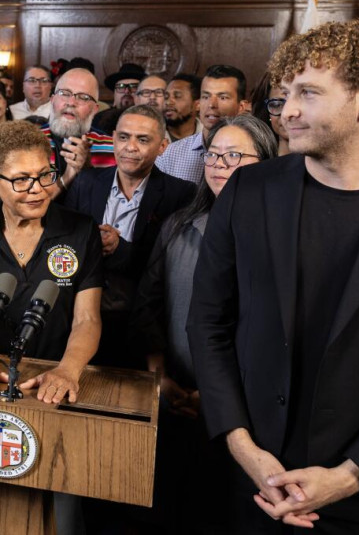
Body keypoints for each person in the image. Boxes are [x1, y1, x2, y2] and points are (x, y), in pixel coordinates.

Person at [187, 20, 359, 534]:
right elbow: (208, 326)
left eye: (308, 93)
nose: (288, 112)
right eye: (284, 96)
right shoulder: (248, 192)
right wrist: (244, 448)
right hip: (251, 485)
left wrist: (349, 476)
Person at [0, 121, 102, 532]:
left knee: (65, 517)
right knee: (0, 512)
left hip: (58, 387)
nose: (37, 188)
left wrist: (68, 370)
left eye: (44, 175)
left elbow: (87, 318)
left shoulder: (79, 229)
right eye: (21, 180)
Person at [129, 115, 277, 534]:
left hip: (248, 416)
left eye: (234, 155)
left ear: (265, 161)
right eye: (213, 154)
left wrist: (216, 399)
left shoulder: (281, 236)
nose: (219, 164)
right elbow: (149, 304)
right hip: (175, 399)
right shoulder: (179, 225)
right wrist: (159, 378)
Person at [62, 104, 195, 369]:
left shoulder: (180, 194)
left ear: (162, 146)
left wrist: (120, 248)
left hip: (141, 327)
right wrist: (89, 244)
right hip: (77, 318)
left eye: (142, 139)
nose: (130, 147)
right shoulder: (86, 182)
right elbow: (63, 245)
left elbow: (173, 268)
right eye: (123, 137)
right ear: (113, 138)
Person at [156, 64, 249, 184]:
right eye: (206, 96)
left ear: (241, 106)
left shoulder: (251, 156)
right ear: (198, 103)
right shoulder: (169, 155)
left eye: (223, 97)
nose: (212, 104)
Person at [40, 67, 115, 197]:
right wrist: (68, 176)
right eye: (64, 93)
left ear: (95, 109)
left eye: (84, 97)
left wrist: (87, 170)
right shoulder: (26, 142)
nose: (71, 102)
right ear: (52, 100)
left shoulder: (113, 149)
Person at [163, 73, 202, 142]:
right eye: (166, 97)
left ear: (198, 105)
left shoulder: (209, 137)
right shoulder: (153, 133)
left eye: (177, 96)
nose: (168, 102)